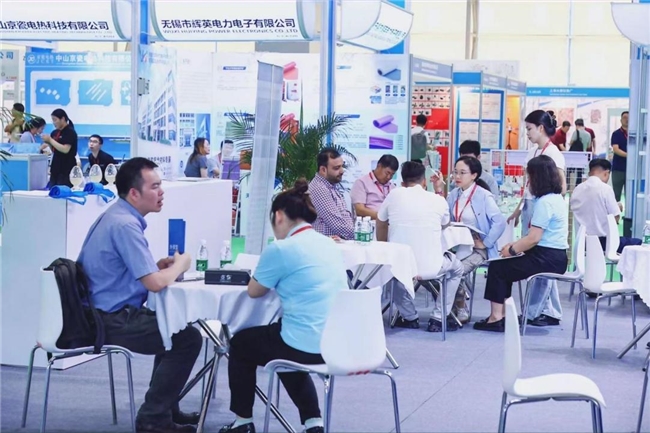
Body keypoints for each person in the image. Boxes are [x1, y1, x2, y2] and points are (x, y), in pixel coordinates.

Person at [77, 158, 201, 433]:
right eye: (154, 187)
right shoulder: (125, 225)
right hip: (109, 318)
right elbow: (155, 284)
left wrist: (155, 267)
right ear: (134, 193)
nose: (161, 192)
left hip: (103, 311)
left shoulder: (116, 216)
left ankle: (165, 410)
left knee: (173, 329)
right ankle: (153, 419)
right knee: (186, 338)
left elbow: (128, 274)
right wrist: (180, 265)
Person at [220, 179, 346, 433]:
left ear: (278, 216)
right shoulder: (328, 244)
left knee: (243, 343)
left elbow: (254, 291)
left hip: (303, 344)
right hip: (337, 343)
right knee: (281, 340)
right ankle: (313, 422)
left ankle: (243, 422)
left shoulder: (281, 249)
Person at [475, 155, 568, 332]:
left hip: (546, 258)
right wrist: (514, 247)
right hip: (553, 255)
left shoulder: (545, 203)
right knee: (503, 266)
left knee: (498, 268)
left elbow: (534, 238)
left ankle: (496, 318)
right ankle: (501, 316)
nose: (527, 182)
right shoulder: (555, 199)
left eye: (529, 177)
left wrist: (511, 250)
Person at [377, 161, 464, 333]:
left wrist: (385, 248)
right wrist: (439, 190)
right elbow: (445, 224)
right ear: (424, 181)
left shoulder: (394, 195)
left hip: (402, 265)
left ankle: (409, 317)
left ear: (402, 183)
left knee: (393, 272)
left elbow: (381, 222)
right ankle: (438, 317)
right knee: (457, 269)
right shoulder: (437, 200)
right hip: (432, 266)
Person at [507, 110, 566, 327]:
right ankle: (551, 311)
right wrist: (518, 210)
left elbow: (561, 187)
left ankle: (535, 312)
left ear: (541, 128)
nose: (527, 133)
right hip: (530, 206)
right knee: (538, 264)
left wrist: (546, 206)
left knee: (542, 264)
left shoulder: (554, 153)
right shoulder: (532, 152)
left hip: (543, 209)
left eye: (529, 128)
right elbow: (527, 187)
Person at [446, 156, 506, 323]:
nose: (457, 176)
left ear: (474, 175)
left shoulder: (484, 195)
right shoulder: (453, 194)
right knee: (440, 270)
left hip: (478, 248)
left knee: (455, 270)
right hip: (456, 245)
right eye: (455, 172)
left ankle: (459, 306)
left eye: (462, 173)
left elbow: (500, 222)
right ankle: (449, 306)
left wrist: (486, 243)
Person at [570, 158, 641, 253]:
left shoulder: (577, 190)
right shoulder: (605, 189)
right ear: (606, 173)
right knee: (639, 243)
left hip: (582, 243)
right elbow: (615, 218)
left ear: (590, 172)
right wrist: (617, 208)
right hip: (604, 242)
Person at [308, 148, 354, 239]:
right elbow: (338, 225)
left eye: (342, 166)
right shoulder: (319, 189)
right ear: (323, 170)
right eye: (336, 168)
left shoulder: (330, 186)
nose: (342, 171)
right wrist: (360, 234)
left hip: (336, 244)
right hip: (324, 245)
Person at [350, 154, 398, 220]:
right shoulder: (361, 183)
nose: (389, 177)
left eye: (392, 174)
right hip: (370, 223)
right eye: (387, 173)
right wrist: (382, 217)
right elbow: (359, 210)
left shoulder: (392, 187)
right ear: (379, 166)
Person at [40, 109, 78, 188]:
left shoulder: (70, 132)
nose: (54, 123)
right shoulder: (54, 133)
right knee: (53, 190)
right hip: (55, 167)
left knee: (63, 191)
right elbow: (54, 150)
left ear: (63, 119)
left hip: (66, 168)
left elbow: (65, 149)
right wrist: (48, 143)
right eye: (52, 120)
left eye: (55, 120)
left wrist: (50, 140)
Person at [611, 111, 629, 202]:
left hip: (631, 170)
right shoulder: (616, 134)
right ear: (621, 120)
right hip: (618, 169)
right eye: (625, 118)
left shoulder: (635, 134)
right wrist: (629, 156)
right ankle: (615, 211)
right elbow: (616, 149)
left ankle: (629, 211)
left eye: (628, 118)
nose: (627, 120)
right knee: (616, 194)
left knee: (630, 195)